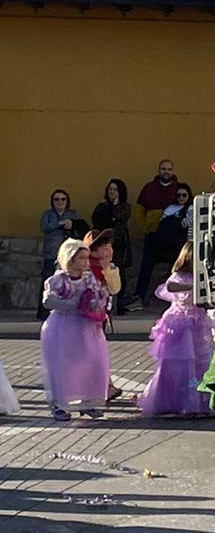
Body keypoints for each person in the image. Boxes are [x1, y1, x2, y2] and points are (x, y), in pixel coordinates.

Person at [138, 246, 215, 418]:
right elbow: (170, 286)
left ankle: (199, 398)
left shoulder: (204, 276)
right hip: (180, 326)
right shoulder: (180, 276)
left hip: (197, 325)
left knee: (200, 364)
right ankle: (179, 400)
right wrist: (195, 285)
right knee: (179, 365)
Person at [41, 239, 110, 422]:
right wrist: (72, 304)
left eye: (87, 258)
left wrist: (100, 301)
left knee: (91, 361)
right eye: (81, 258)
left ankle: (88, 401)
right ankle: (60, 404)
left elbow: (98, 294)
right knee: (63, 365)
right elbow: (48, 301)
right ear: (69, 259)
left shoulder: (88, 278)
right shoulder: (57, 280)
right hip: (62, 326)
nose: (86, 262)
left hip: (86, 325)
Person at [128, 159, 179, 309]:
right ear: (159, 170)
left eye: (169, 169)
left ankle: (175, 300)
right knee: (146, 267)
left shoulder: (178, 189)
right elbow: (139, 210)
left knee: (175, 268)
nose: (166, 172)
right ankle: (139, 298)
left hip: (172, 238)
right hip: (152, 235)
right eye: (163, 169)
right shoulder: (149, 188)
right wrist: (145, 227)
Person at [84, 229, 124, 404]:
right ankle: (102, 387)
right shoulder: (87, 268)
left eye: (110, 247)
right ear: (92, 251)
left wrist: (109, 270)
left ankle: (106, 386)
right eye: (104, 248)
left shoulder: (109, 267)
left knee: (98, 352)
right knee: (92, 354)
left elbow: (115, 289)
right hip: (86, 317)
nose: (109, 251)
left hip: (100, 316)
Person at [91, 179, 132, 307]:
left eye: (115, 189)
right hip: (103, 242)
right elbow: (97, 220)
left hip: (119, 244)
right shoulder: (101, 206)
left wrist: (114, 207)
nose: (112, 192)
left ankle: (119, 303)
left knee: (119, 272)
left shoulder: (125, 207)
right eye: (110, 189)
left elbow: (119, 218)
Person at [37, 189, 75, 319]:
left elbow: (78, 227)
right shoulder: (47, 214)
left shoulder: (71, 213)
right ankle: (43, 312)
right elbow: (44, 227)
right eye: (57, 199)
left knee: (66, 283)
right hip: (51, 253)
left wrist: (71, 224)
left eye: (63, 199)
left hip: (68, 254)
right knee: (48, 281)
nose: (60, 202)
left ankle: (65, 310)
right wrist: (60, 223)